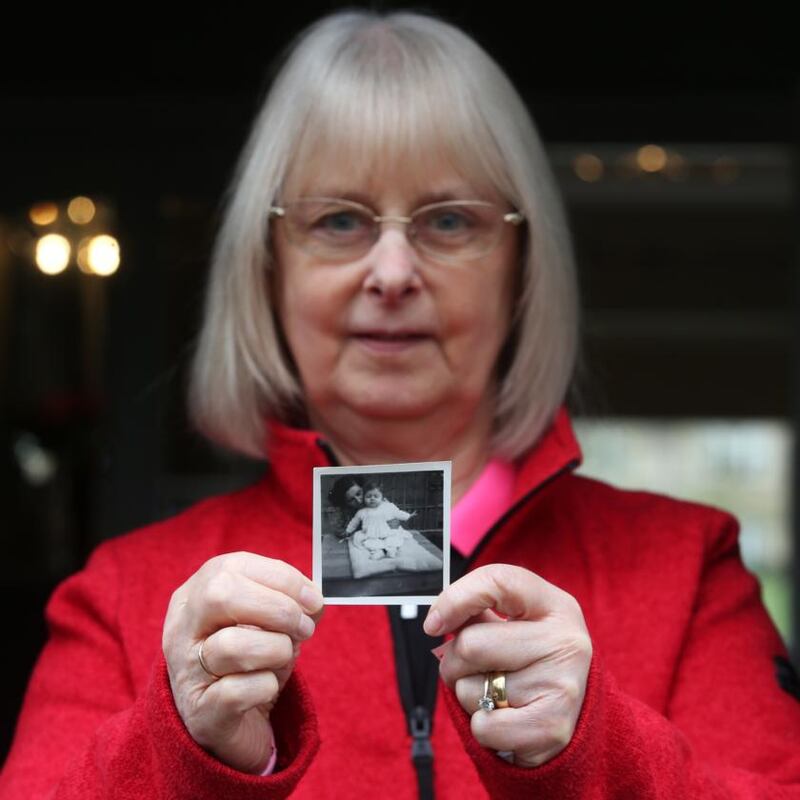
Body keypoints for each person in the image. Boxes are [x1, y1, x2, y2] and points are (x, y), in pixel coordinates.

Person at [2, 9, 800, 800]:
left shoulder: (689, 570)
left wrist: (598, 752)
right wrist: (181, 755)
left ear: (522, 269)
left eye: (449, 220)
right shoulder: (124, 594)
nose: (391, 272)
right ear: (268, 267)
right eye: (339, 220)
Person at [346, 482, 416, 558]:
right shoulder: (362, 512)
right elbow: (354, 522)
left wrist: (408, 516)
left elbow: (397, 513)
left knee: (393, 540)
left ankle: (392, 550)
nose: (372, 498)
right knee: (369, 543)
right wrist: (348, 530)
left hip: (386, 532)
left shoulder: (386, 507)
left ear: (382, 498)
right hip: (370, 534)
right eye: (368, 497)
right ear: (364, 499)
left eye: (376, 496)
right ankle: (379, 551)